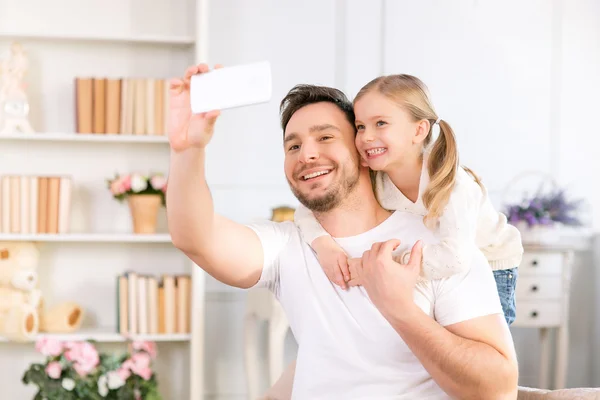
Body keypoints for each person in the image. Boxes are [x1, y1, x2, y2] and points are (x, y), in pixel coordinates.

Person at [166, 63, 519, 399]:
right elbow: (195, 238)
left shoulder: (438, 238)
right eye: (293, 146)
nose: (306, 154)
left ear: (363, 150)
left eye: (325, 137)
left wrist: (399, 307)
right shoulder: (288, 244)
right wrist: (187, 149)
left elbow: (497, 390)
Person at [294, 74, 524, 325]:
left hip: (489, 264)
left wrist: (384, 266)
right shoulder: (376, 176)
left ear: (418, 130)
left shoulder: (453, 185)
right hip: (436, 260)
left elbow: (456, 258)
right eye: (360, 126)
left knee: (469, 352)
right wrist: (324, 246)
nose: (366, 137)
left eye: (380, 123)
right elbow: (309, 210)